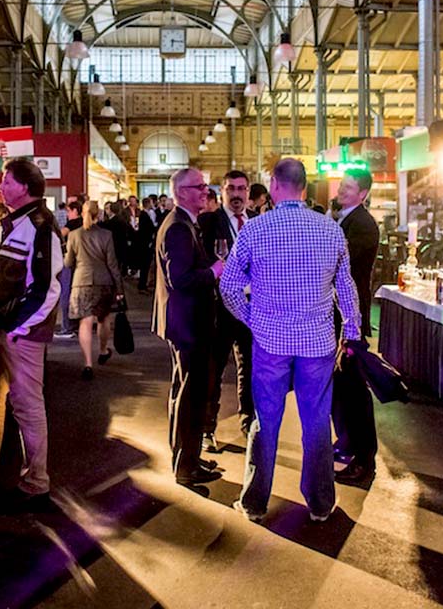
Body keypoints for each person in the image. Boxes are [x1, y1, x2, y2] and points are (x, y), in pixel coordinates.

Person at [220, 158, 360, 523]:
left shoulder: (255, 229)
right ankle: (320, 504)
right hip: (318, 344)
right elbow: (346, 287)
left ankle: (254, 502)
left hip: (270, 343)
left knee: (265, 421)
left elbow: (229, 286)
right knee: (316, 423)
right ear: (305, 187)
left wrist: (253, 319)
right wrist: (352, 330)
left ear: (273, 185)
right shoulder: (330, 230)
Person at [0, 159, 62, 510]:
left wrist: (19, 327)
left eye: (5, 181)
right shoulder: (23, 224)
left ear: (23, 187)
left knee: (26, 407)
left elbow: (47, 287)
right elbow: (14, 271)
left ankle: (36, 484)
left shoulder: (39, 226)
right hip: (7, 330)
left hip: (19, 334)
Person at [154, 167, 224, 488]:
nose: (205, 191)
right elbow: (180, 279)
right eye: (199, 186)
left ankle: (187, 457)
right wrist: (214, 271)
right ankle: (186, 467)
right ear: (182, 192)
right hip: (188, 323)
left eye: (205, 186)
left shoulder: (184, 223)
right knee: (191, 395)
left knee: (184, 391)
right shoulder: (178, 227)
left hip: (186, 321)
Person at [197, 170, 254, 452]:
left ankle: (249, 423)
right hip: (219, 308)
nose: (236, 194)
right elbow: (203, 262)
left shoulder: (257, 223)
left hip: (251, 308)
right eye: (231, 188)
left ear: (248, 193)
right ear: (222, 192)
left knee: (250, 368)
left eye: (241, 189)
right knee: (213, 369)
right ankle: (207, 428)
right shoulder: (208, 222)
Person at [330, 169, 381, 487]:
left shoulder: (363, 224)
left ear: (362, 194)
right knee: (340, 386)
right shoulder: (343, 220)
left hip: (351, 316)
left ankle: (364, 458)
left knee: (354, 389)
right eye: (341, 185)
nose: (341, 190)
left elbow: (341, 264)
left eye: (348, 187)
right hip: (338, 314)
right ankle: (348, 442)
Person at [64, 200, 121, 379]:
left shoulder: (74, 235)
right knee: (103, 319)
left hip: (81, 282)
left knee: (85, 322)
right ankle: (103, 350)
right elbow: (112, 264)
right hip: (104, 281)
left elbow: (68, 263)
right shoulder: (106, 235)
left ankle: (88, 364)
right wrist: (119, 288)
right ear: (99, 214)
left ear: (82, 213)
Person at [58, 200, 84, 337]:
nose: (67, 214)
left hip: (70, 261)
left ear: (75, 211)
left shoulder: (72, 224)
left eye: (69, 211)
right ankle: (76, 324)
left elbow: (59, 234)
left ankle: (66, 327)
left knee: (66, 293)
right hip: (82, 262)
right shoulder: (85, 224)